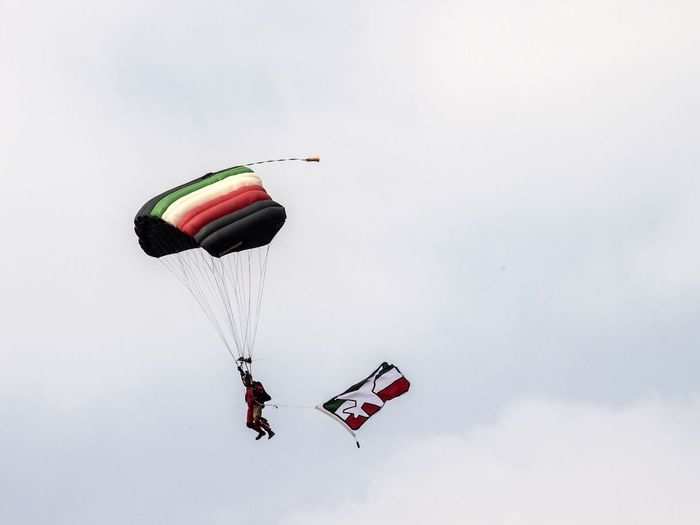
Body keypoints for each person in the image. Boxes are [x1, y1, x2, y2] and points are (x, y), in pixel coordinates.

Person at [237, 360, 275, 440]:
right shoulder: (248, 387)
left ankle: (269, 431)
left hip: (256, 405)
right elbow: (244, 377)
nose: (245, 382)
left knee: (256, 419)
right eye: (245, 382)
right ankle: (261, 432)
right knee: (249, 424)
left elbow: (262, 392)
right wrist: (240, 370)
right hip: (250, 407)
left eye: (247, 381)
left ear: (250, 379)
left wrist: (258, 398)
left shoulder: (256, 385)